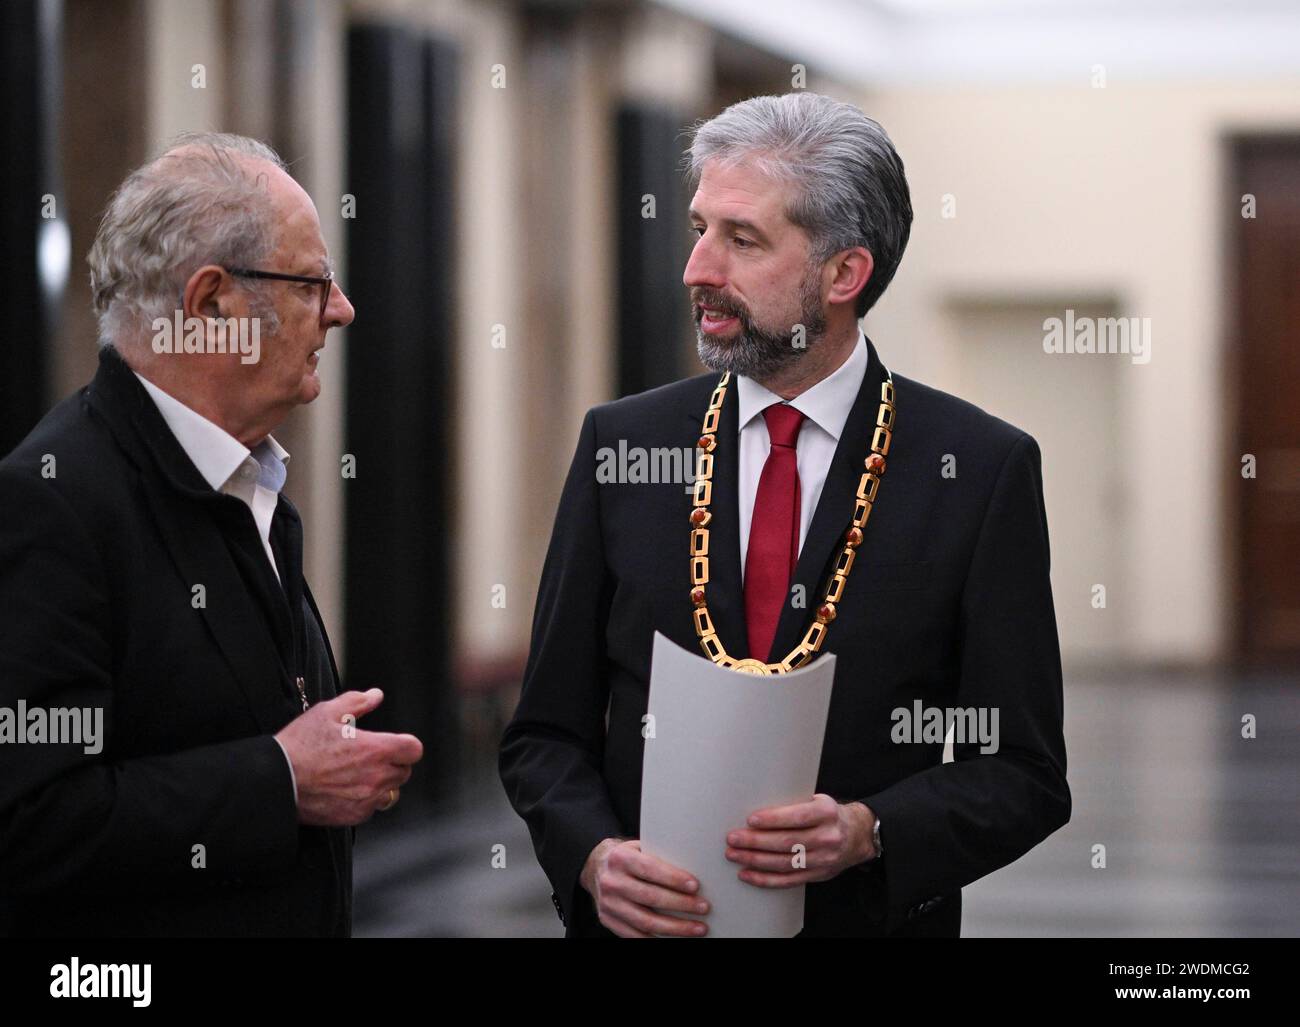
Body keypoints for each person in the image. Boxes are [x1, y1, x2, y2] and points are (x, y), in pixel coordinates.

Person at [500, 93, 1070, 937]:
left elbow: (1024, 773)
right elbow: (544, 734)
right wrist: (592, 858)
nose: (698, 267)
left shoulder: (979, 471)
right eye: (699, 228)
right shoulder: (622, 445)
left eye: (742, 239)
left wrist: (869, 831)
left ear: (844, 273)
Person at [0, 133, 423, 936]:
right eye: (312, 282)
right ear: (210, 306)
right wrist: (282, 780)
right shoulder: (51, 502)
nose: (341, 308)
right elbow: (29, 820)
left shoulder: (251, 482)